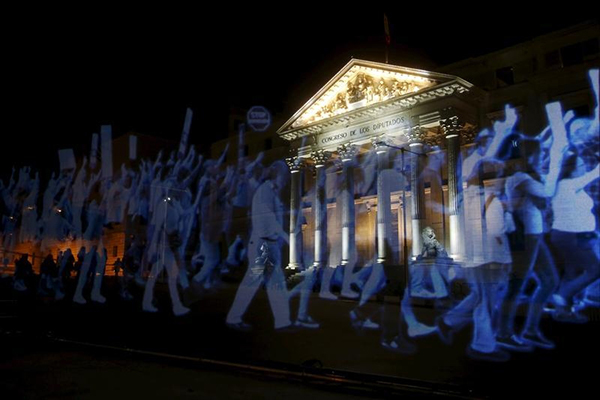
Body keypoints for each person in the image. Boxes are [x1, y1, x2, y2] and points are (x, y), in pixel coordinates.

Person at [226, 160, 292, 330]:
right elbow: (269, 219)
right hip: (262, 246)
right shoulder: (265, 191)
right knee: (253, 282)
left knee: (276, 282)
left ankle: (283, 322)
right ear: (278, 175)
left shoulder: (271, 192)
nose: (285, 181)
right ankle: (233, 318)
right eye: (284, 176)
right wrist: (286, 237)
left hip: (269, 245)